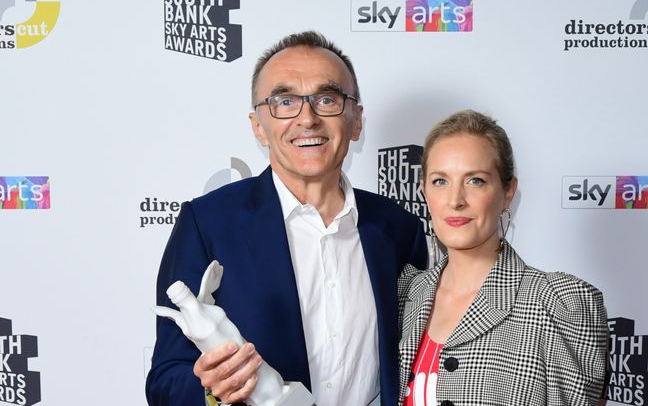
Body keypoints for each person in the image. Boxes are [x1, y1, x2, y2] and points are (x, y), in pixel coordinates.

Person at [146, 31, 428, 406]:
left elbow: (417, 362)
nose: (307, 118)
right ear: (258, 126)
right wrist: (211, 391)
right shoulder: (208, 223)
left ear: (356, 121)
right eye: (285, 102)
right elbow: (166, 380)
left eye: (327, 99)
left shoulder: (399, 229)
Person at [398, 110, 607, 406]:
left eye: (476, 181)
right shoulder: (406, 293)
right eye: (440, 181)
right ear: (424, 191)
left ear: (507, 192)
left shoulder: (557, 304)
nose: (455, 200)